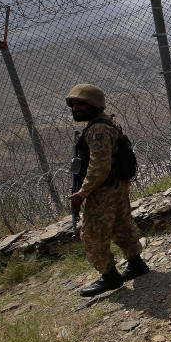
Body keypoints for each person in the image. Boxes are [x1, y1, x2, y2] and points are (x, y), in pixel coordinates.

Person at [67, 84, 149, 297]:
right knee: (121, 225)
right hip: (117, 185)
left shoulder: (98, 130)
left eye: (81, 105)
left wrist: (82, 193)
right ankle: (135, 264)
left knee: (92, 233)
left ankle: (109, 276)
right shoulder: (106, 122)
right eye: (74, 105)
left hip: (104, 189)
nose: (76, 109)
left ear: (93, 105)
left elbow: (99, 167)